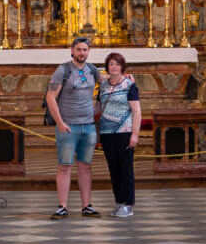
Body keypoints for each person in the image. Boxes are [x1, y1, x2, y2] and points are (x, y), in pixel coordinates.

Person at [45, 36, 103, 219]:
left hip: (88, 126)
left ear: (89, 52)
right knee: (65, 166)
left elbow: (109, 83)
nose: (82, 53)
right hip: (68, 126)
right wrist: (60, 123)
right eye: (78, 49)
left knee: (85, 167)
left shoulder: (92, 70)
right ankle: (62, 206)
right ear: (72, 51)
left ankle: (87, 206)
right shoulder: (63, 70)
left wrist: (125, 77)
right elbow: (50, 97)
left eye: (85, 50)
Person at [98, 52, 141, 218]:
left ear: (122, 66)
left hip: (124, 131)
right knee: (114, 169)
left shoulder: (129, 85)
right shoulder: (103, 86)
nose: (113, 67)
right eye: (110, 64)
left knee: (126, 169)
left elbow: (136, 111)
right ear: (107, 67)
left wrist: (135, 135)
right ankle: (119, 202)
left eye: (116, 64)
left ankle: (129, 204)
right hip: (107, 133)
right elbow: (98, 108)